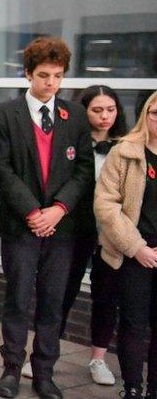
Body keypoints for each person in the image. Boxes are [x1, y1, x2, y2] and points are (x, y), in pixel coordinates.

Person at [0, 37, 94, 399]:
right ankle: (11, 370)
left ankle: (45, 372)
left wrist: (59, 209)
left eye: (58, 76)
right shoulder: (4, 113)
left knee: (52, 301)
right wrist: (34, 212)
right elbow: (1, 169)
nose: (51, 83)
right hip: (21, 224)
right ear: (28, 74)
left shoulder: (75, 115)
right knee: (17, 300)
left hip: (62, 228)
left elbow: (83, 170)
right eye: (44, 75)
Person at [46, 85, 128, 386]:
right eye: (97, 110)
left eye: (110, 110)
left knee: (106, 296)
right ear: (83, 110)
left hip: (111, 233)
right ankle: (45, 355)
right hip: (73, 228)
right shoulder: (69, 140)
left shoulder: (125, 146)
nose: (105, 116)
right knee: (61, 293)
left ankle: (97, 358)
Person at [95, 91, 157, 399]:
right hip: (132, 250)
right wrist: (136, 247)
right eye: (155, 113)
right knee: (133, 322)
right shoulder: (125, 152)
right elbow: (106, 205)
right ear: (145, 115)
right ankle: (132, 387)